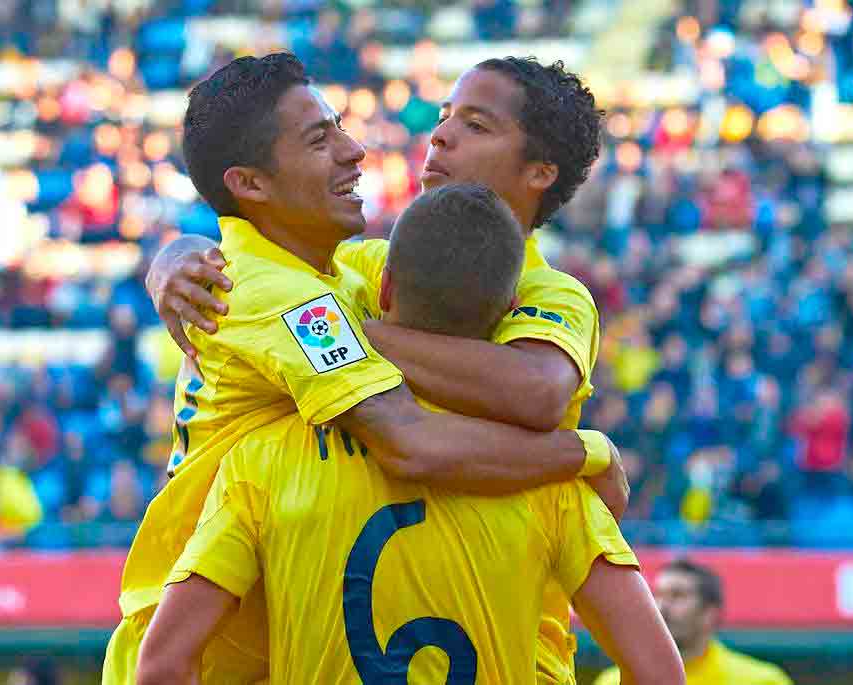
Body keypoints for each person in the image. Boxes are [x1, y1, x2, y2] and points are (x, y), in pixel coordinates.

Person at [103, 54, 626, 684]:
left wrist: (187, 256)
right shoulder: (302, 292)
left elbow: (537, 392)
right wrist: (589, 453)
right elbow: (410, 441)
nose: (438, 136)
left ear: (540, 171)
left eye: (477, 126)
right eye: (442, 117)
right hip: (217, 652)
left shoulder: (373, 279)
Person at [137, 184, 682, 684]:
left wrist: (174, 257)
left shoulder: (265, 458)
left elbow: (162, 663)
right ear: (510, 314)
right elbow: (659, 673)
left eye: (472, 123)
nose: (441, 140)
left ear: (384, 288)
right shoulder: (550, 481)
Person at [593, 558, 792, 685]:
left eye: (677, 596)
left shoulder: (762, 681)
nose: (661, 607)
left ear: (709, 614)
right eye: (657, 595)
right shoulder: (612, 681)